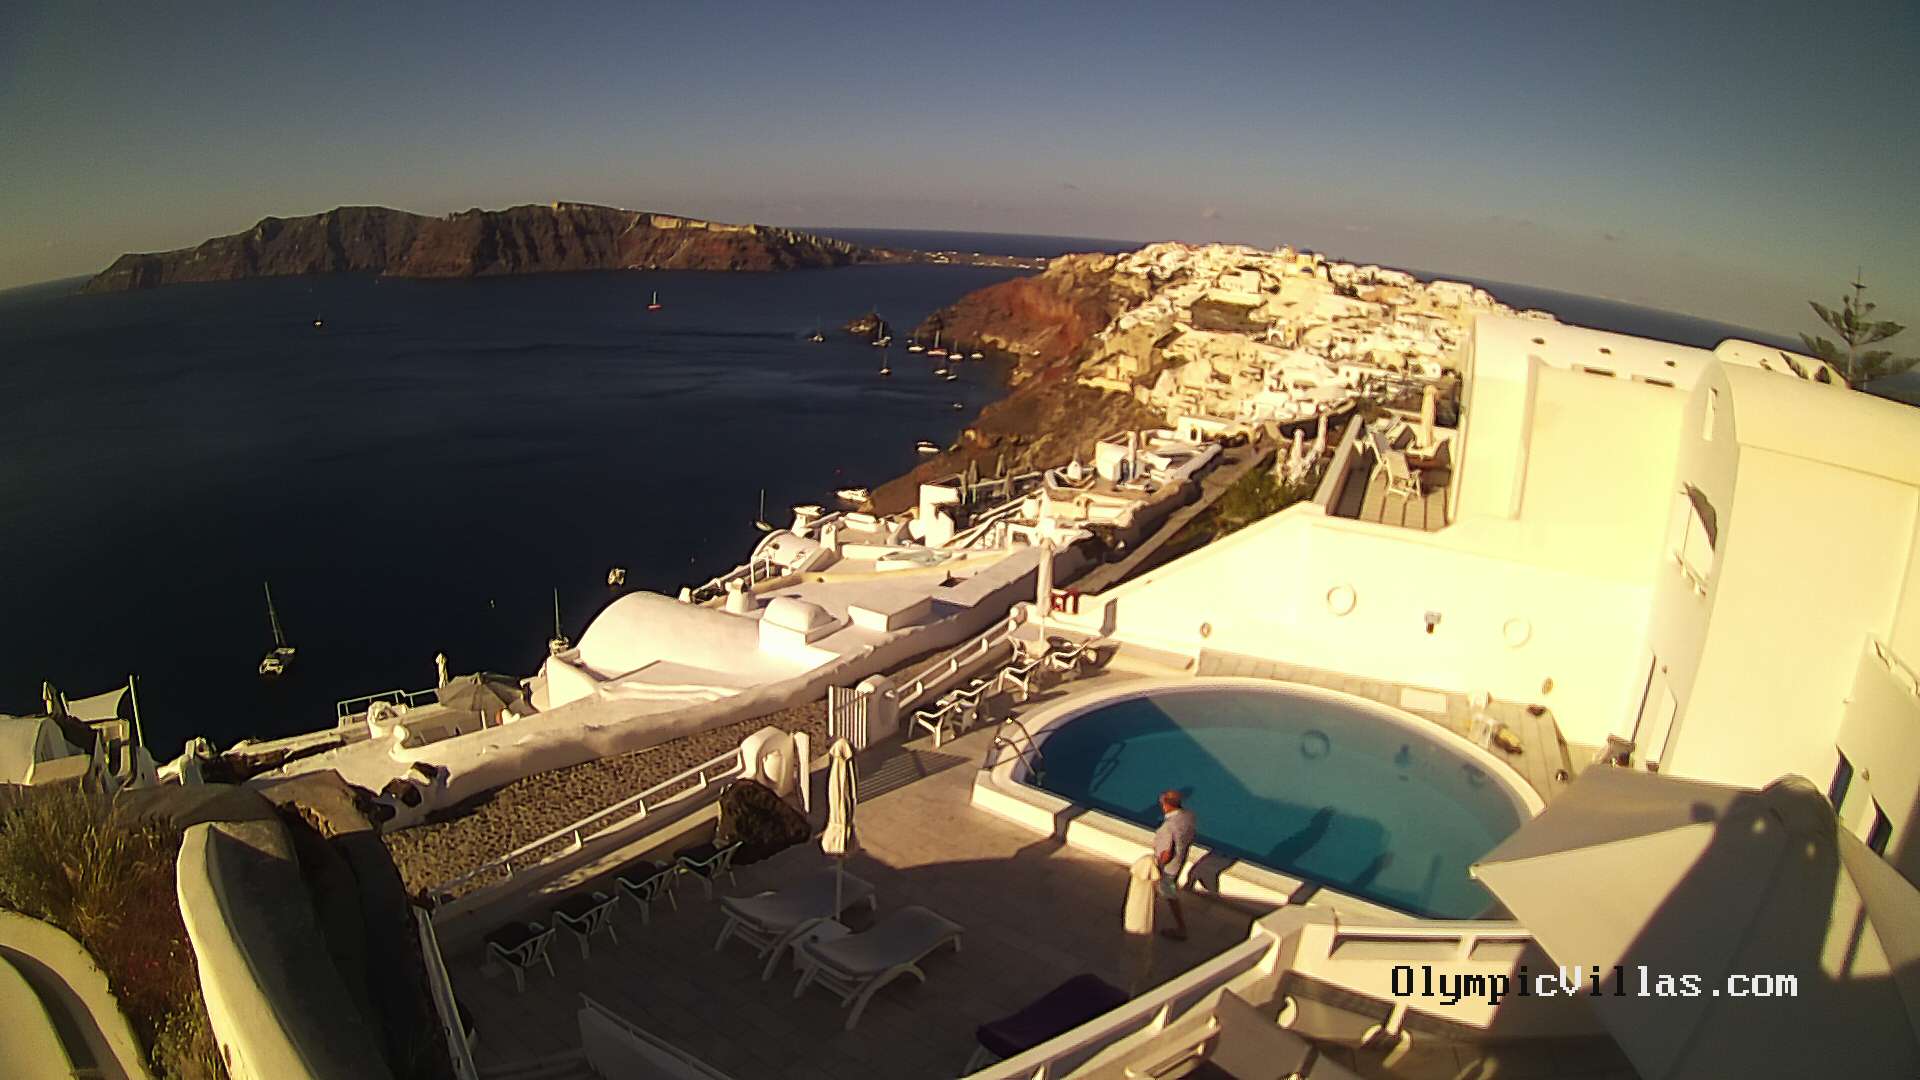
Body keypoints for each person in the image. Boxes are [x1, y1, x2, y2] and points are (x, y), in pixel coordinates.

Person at [1152, 789, 1196, 940]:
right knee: (1164, 889)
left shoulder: (1168, 827)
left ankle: (1181, 928)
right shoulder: (1188, 816)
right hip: (1180, 861)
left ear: (1166, 805)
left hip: (1168, 868)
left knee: (1168, 892)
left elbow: (1166, 853)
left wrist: (1157, 865)